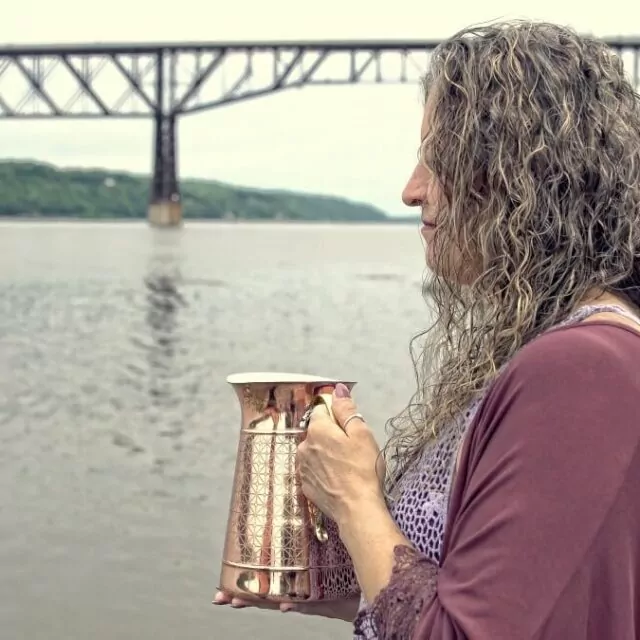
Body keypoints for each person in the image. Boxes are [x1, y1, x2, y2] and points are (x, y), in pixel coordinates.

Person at [215, 20, 640, 639]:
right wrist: (332, 586)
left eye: (437, 160)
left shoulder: (582, 370)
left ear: (521, 178)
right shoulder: (580, 350)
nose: (411, 190)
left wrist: (356, 496)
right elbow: (508, 601)